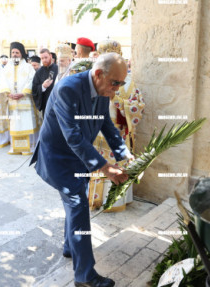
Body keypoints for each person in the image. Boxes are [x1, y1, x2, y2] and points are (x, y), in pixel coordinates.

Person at [30, 53, 133, 287]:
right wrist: (107, 169)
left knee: (75, 205)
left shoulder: (102, 90)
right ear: (98, 74)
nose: (117, 89)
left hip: (79, 158)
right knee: (78, 207)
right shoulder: (68, 89)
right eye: (115, 83)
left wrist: (125, 155)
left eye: (121, 83)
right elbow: (74, 137)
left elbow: (105, 124)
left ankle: (70, 247)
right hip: (59, 159)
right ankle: (85, 276)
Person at [88, 39, 145, 211]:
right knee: (97, 165)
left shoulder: (129, 83)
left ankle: (114, 202)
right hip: (96, 132)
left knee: (115, 166)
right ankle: (95, 200)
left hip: (117, 133)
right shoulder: (94, 77)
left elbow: (138, 108)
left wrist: (117, 100)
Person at [0, 41, 39, 155]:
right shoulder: (6, 68)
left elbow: (32, 81)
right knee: (15, 124)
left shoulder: (28, 67)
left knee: (26, 122)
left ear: (22, 54)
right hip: (12, 102)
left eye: (17, 52)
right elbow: (3, 82)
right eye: (13, 52)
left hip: (24, 100)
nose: (14, 54)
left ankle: (29, 148)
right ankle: (15, 148)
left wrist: (24, 93)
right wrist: (8, 93)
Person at [32, 48, 58, 116]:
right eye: (42, 58)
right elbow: (34, 89)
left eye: (46, 57)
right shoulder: (38, 72)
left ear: (50, 56)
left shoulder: (58, 69)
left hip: (58, 103)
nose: (44, 60)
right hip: (46, 105)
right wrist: (42, 86)